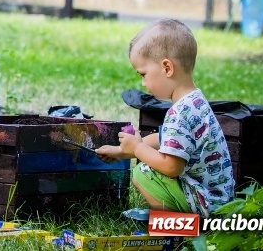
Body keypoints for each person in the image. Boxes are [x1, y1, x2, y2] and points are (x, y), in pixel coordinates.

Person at [96, 19, 234, 216]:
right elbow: (165, 139)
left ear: (167, 68)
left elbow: (171, 167)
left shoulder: (178, 114)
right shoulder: (195, 102)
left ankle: (176, 225)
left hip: (205, 205)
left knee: (144, 173)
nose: (143, 83)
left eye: (143, 74)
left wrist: (137, 148)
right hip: (218, 199)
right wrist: (122, 151)